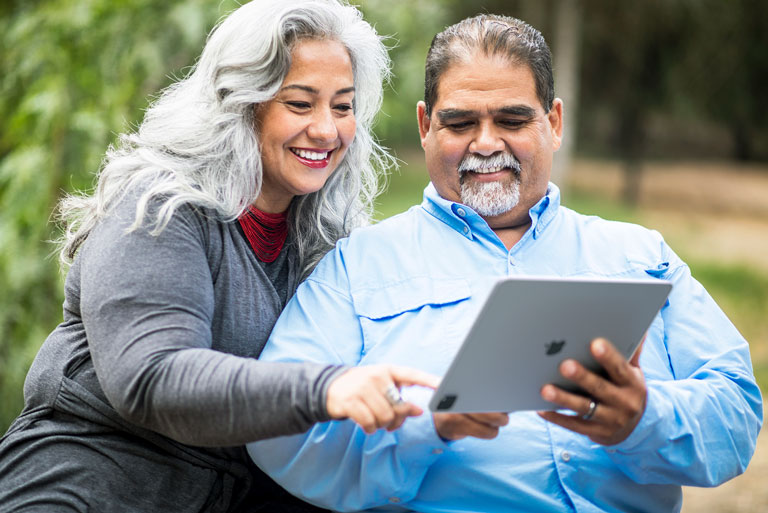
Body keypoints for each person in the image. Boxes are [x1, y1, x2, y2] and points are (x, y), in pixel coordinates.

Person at [246, 13, 764, 513]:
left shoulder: (641, 257)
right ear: (426, 126)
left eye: (513, 120)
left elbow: (737, 408)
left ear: (554, 122)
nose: (487, 142)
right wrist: (428, 425)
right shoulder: (355, 269)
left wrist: (645, 418)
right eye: (461, 122)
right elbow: (274, 429)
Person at [0, 1, 438, 512]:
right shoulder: (160, 208)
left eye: (342, 107)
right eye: (300, 104)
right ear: (240, 103)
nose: (327, 130)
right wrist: (326, 387)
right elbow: (152, 378)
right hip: (84, 489)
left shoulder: (324, 241)